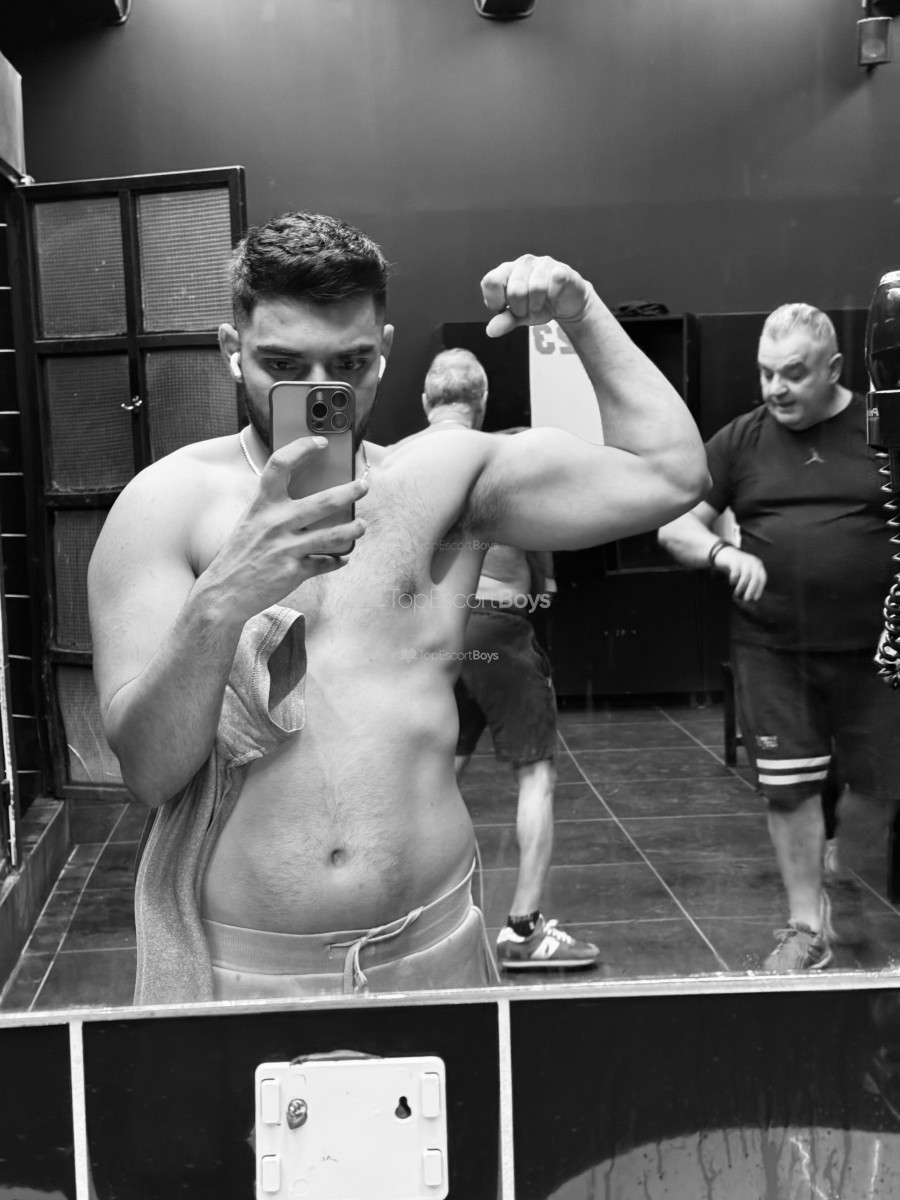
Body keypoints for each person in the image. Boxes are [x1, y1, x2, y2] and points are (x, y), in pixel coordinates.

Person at [88, 211, 707, 1004]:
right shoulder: (165, 506)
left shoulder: (441, 482)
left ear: (383, 350)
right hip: (249, 969)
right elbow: (149, 773)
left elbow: (669, 474)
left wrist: (581, 313)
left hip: (434, 947)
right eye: (283, 363)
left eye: (349, 363)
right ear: (231, 350)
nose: (321, 393)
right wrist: (222, 599)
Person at [657, 303, 900, 972]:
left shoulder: (880, 431)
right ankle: (805, 927)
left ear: (835, 368)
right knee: (790, 790)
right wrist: (721, 553)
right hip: (773, 650)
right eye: (766, 373)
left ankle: (846, 879)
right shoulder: (742, 439)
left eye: (793, 373)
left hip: (875, 654)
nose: (776, 388)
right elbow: (676, 526)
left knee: (879, 785)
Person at [419, 348, 600, 970]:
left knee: (434, 775)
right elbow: (544, 531)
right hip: (497, 629)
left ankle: (407, 912)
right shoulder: (504, 456)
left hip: (441, 633)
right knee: (535, 774)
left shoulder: (399, 461)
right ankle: (524, 928)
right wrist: (543, 584)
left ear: (425, 400)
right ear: (484, 401)